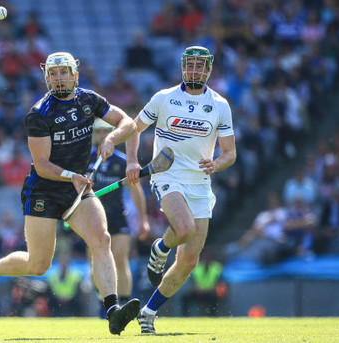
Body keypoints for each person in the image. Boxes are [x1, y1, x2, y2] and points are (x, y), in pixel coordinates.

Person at [0, 52, 140, 335]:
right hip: (45, 190)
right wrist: (70, 176)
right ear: (46, 76)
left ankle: (112, 310)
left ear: (75, 74)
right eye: (53, 73)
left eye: (64, 72)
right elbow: (42, 165)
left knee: (102, 238)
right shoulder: (39, 114)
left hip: (78, 190)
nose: (59, 77)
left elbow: (128, 123)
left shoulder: (89, 100)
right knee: (38, 265)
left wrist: (110, 138)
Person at [125, 46, 237, 334]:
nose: (195, 71)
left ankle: (148, 313)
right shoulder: (164, 98)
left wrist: (217, 164)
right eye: (190, 65)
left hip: (200, 184)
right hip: (167, 175)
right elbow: (133, 129)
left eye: (201, 66)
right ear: (183, 68)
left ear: (209, 70)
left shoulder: (220, 105)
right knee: (183, 229)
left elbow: (230, 153)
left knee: (188, 261)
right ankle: (161, 248)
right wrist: (133, 160)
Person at [90, 118, 150, 308]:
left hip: (117, 216)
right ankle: (105, 302)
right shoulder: (84, 159)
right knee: (96, 260)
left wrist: (143, 219)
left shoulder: (122, 161)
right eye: (98, 131)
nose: (101, 135)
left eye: (105, 131)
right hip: (91, 218)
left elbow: (135, 190)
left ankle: (123, 303)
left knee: (119, 258)